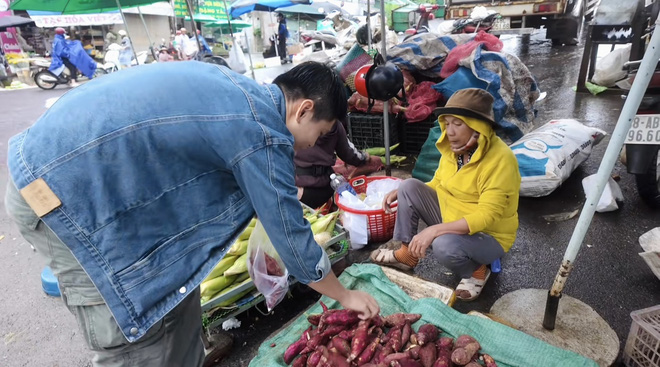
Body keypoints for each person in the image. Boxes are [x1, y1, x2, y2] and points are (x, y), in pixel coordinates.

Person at [5, 61, 379, 366]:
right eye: (322, 131)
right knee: (139, 338)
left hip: (85, 181)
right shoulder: (263, 131)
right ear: (304, 109)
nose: (315, 143)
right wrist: (344, 296)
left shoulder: (240, 92)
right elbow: (292, 238)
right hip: (58, 195)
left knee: (177, 303)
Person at [369, 89, 521, 301]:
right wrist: (402, 191)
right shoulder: (455, 151)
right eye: (447, 123)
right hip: (454, 216)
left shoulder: (501, 160)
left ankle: (477, 270)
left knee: (443, 245)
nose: (450, 131)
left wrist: (434, 230)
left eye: (457, 124)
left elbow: (487, 216)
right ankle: (407, 255)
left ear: (478, 127)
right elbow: (439, 183)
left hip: (489, 234)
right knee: (408, 186)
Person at [295, 120, 383, 208]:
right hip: (320, 187)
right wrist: (364, 157)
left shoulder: (291, 119)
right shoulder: (333, 122)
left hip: (293, 186)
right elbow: (349, 154)